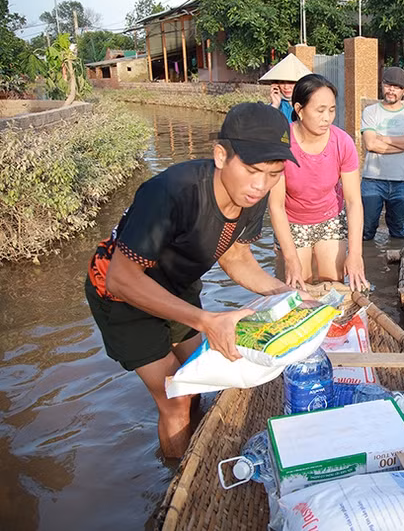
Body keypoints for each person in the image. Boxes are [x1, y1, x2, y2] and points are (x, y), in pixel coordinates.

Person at [85, 103, 304, 458]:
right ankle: (174, 482)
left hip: (176, 284)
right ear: (221, 156)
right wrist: (206, 320)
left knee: (200, 376)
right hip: (121, 296)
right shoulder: (172, 192)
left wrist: (283, 292)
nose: (260, 185)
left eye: (274, 173)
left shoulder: (251, 196)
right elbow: (121, 280)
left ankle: (192, 446)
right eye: (251, 170)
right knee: (175, 397)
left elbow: (234, 255)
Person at [269, 74, 369, 292]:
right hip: (292, 221)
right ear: (299, 109)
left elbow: (353, 202)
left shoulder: (342, 142)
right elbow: (275, 205)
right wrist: (290, 257)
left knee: (332, 283)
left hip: (330, 218)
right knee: (298, 285)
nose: (327, 118)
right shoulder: (282, 143)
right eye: (320, 110)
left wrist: (356, 254)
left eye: (332, 110)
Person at [360, 66, 404, 241]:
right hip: (372, 180)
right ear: (382, 85)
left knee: (399, 232)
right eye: (388, 85)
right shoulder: (371, 112)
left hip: (401, 182)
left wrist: (383, 138)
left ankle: (398, 267)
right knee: (366, 230)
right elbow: (370, 144)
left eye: (397, 87)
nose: (391, 90)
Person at [259, 54, 312, 123]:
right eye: (282, 82)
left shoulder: (309, 104)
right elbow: (264, 126)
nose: (286, 87)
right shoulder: (276, 106)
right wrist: (275, 104)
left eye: (291, 82)